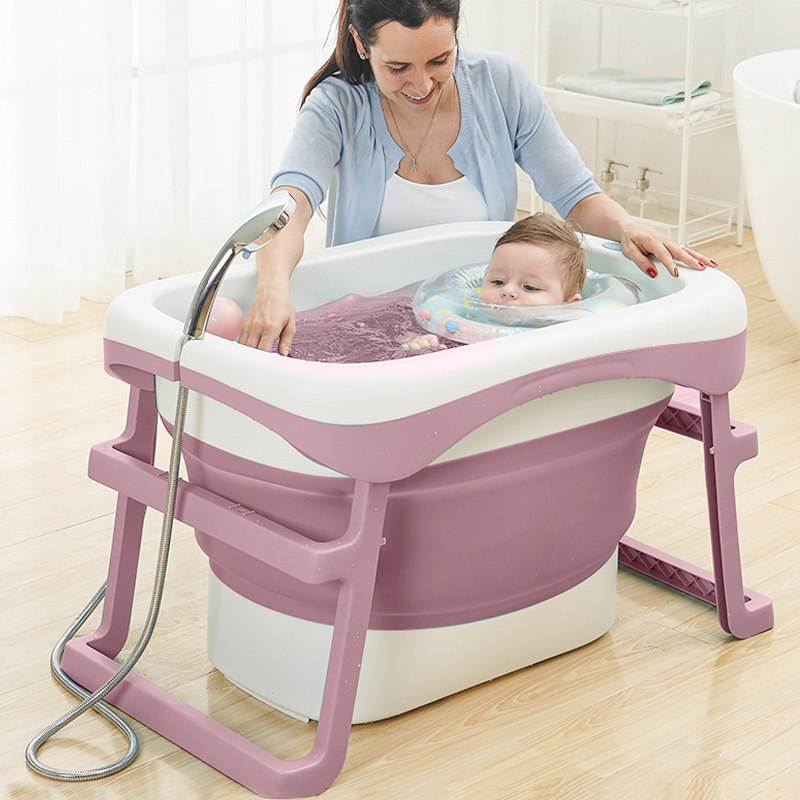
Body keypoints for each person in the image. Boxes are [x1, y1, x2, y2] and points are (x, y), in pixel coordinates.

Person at [240, 0, 714, 355]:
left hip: (488, 322)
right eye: (398, 68)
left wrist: (626, 226)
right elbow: (290, 204)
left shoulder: (499, 83)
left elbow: (574, 193)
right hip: (378, 325)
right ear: (362, 45)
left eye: (439, 60)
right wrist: (273, 287)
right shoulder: (338, 104)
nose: (422, 85)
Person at [401, 212, 586, 350]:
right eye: (498, 282)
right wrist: (422, 344)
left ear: (568, 305)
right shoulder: (466, 317)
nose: (508, 291)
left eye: (529, 287)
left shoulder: (568, 341)